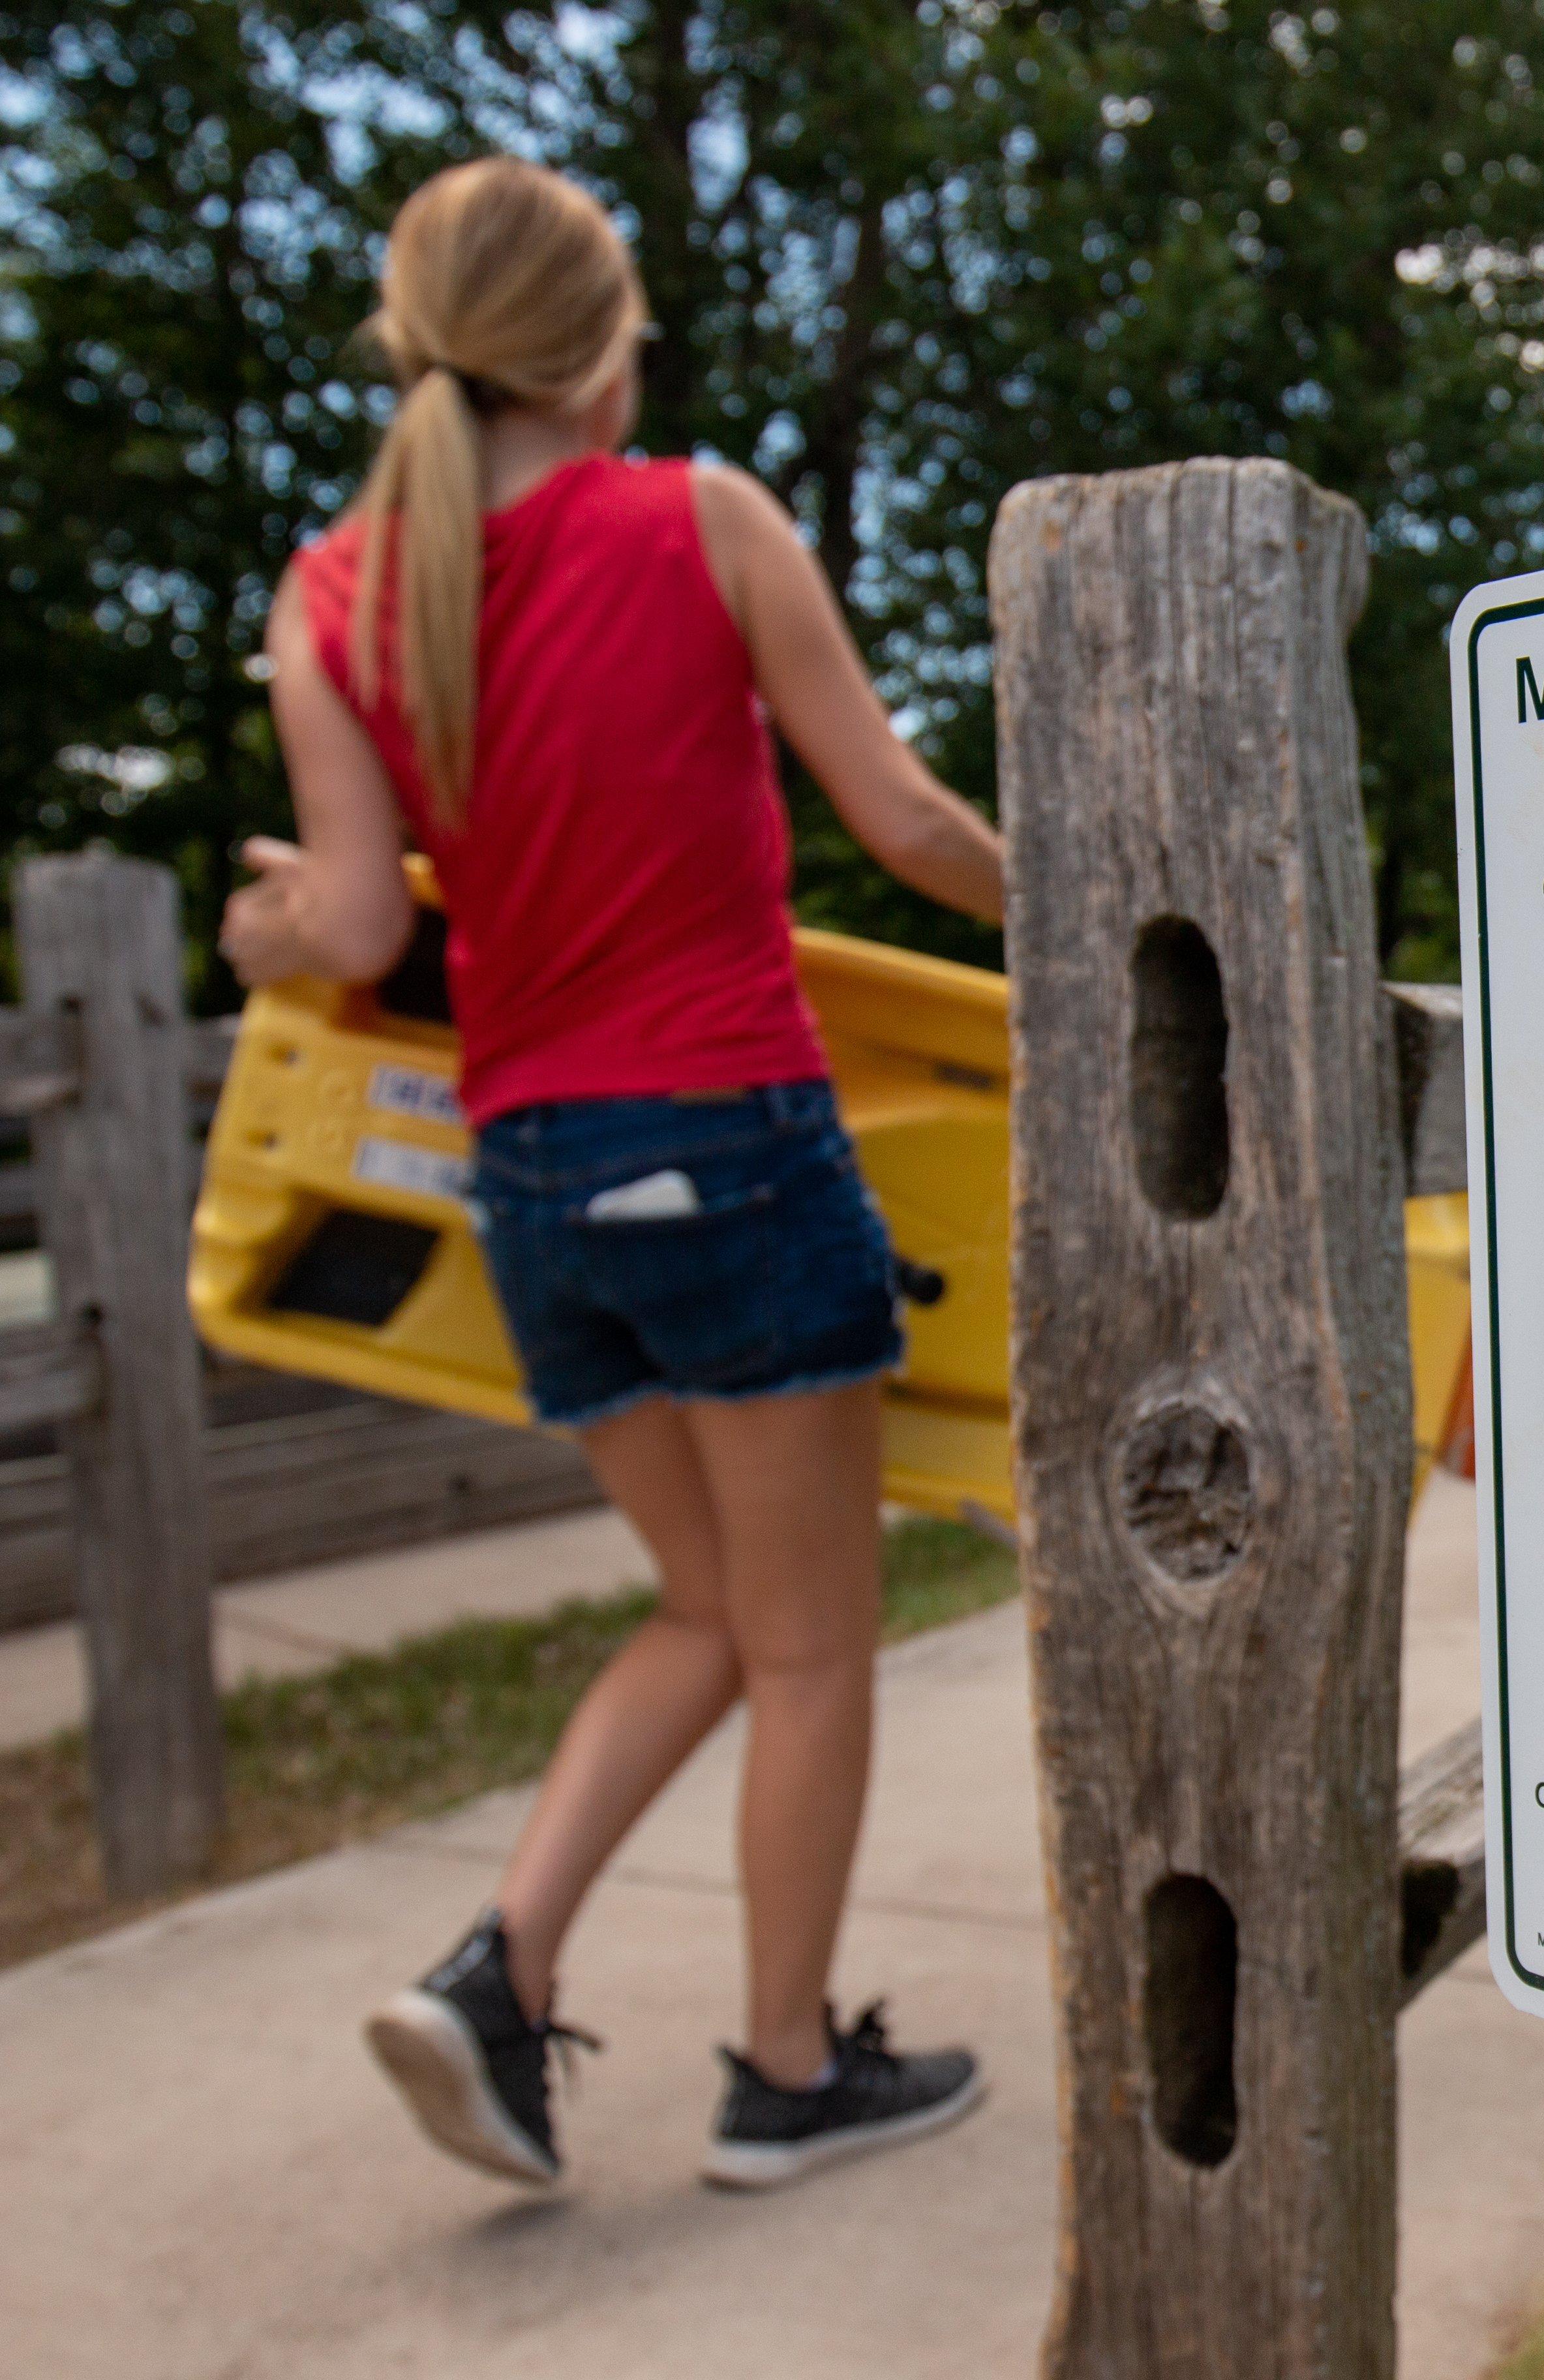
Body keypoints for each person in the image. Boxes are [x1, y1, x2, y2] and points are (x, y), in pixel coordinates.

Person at [220, 158, 1008, 2191]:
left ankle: (496, 1976)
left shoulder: (329, 597)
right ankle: (782, 2070)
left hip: (536, 1185)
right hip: (728, 1143)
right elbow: (910, 821)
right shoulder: (702, 519)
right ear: (598, 343)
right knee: (816, 1641)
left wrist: (268, 936)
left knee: (708, 1609)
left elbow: (356, 932)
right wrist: (1105, 913)